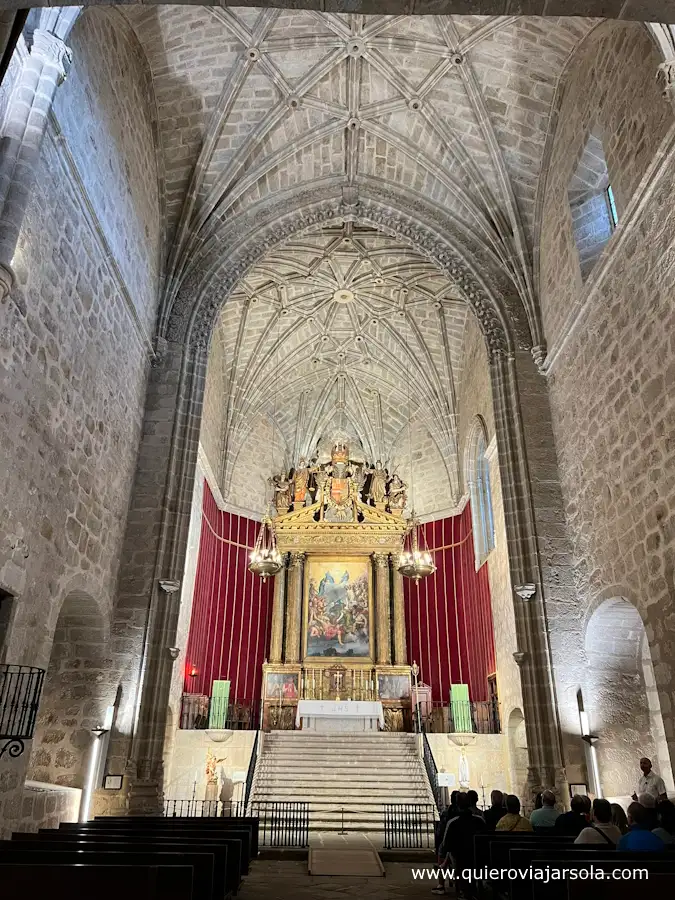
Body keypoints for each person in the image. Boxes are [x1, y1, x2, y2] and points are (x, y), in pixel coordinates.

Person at [438, 793, 486, 897]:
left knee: (447, 853)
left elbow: (446, 846)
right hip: (478, 859)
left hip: (460, 861)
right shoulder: (480, 820)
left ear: (457, 804)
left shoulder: (453, 823)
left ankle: (443, 884)